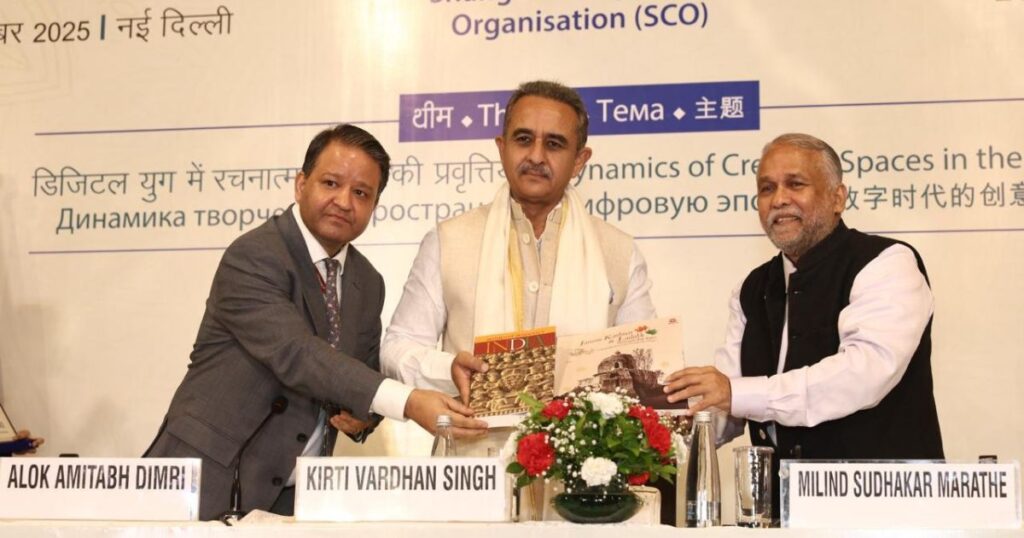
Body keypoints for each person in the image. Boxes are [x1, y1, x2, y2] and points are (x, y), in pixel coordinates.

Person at [146, 124, 486, 521]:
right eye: (331, 183)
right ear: (300, 184)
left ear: (375, 205)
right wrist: (408, 403)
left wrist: (366, 416)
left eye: (361, 193)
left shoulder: (367, 281)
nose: (344, 201)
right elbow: (299, 355)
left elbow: (360, 371)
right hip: (206, 481)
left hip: (295, 498)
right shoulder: (255, 255)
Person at [381, 81, 671, 521]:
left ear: (580, 160)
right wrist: (449, 368)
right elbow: (396, 347)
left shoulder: (618, 252)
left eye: (554, 144)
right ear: (501, 148)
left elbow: (644, 374)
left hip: (583, 491)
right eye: (523, 139)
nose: (536, 155)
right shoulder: (449, 241)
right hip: (470, 480)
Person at [665, 133, 943, 512]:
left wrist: (737, 393)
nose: (779, 199)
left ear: (837, 198)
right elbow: (725, 405)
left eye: (795, 184)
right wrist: (651, 432)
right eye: (767, 188)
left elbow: (861, 376)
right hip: (784, 514)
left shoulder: (885, 263)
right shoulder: (751, 289)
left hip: (889, 506)